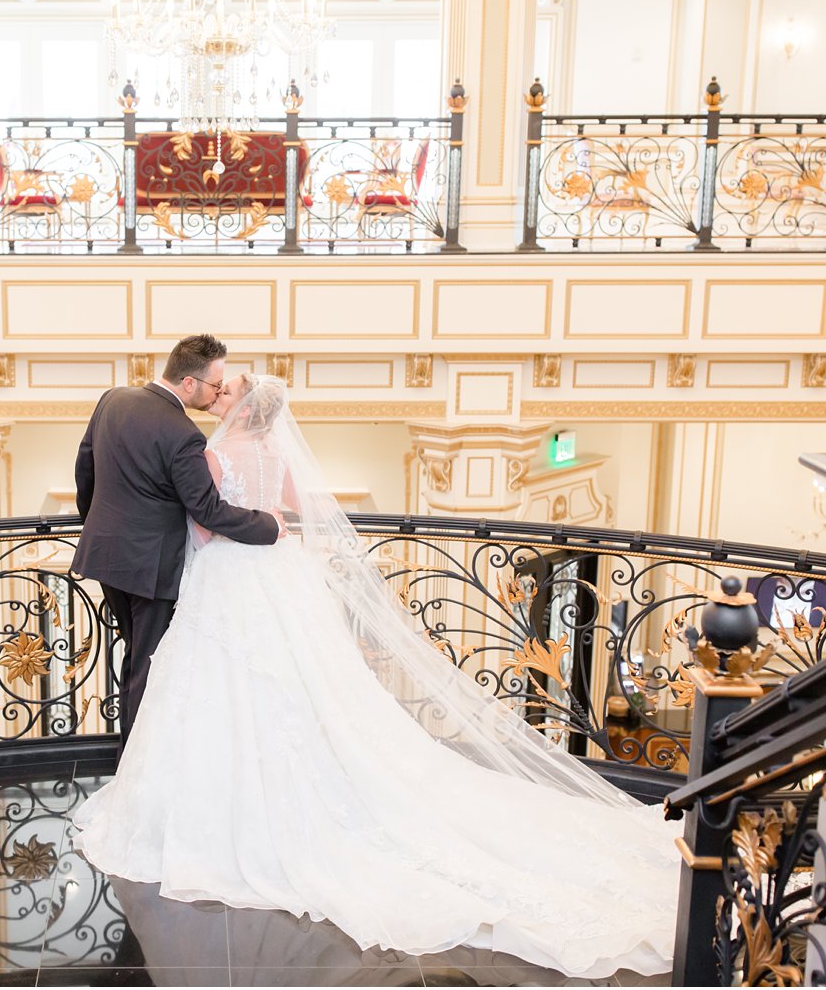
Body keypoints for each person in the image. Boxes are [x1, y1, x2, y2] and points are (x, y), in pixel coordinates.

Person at [72, 373, 680, 980]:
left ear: (239, 408)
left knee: (214, 686)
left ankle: (217, 792)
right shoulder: (276, 453)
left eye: (225, 393)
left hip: (227, 578)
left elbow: (203, 525)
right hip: (278, 574)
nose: (217, 398)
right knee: (296, 682)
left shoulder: (210, 453)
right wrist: (265, 526)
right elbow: (285, 510)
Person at [72, 334, 282, 742]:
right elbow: (208, 511)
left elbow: (85, 472)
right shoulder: (185, 434)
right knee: (146, 669)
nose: (217, 393)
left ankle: (134, 758)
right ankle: (134, 763)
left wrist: (98, 527)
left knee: (135, 657)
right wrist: (268, 526)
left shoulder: (112, 399)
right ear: (189, 383)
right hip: (152, 570)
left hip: (105, 558)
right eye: (214, 386)